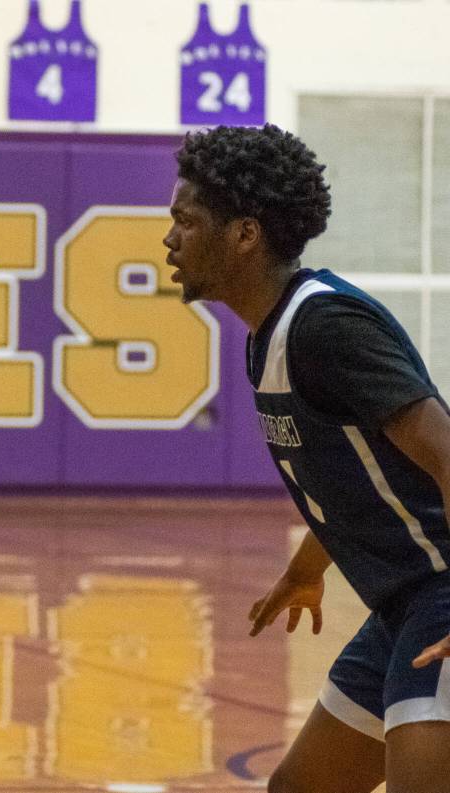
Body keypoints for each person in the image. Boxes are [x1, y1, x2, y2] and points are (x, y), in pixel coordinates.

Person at [163, 123, 450, 793]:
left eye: (185, 219)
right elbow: (351, 481)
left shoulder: (327, 327)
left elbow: (445, 449)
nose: (170, 238)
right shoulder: (269, 339)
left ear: (243, 233)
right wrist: (305, 569)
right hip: (399, 605)